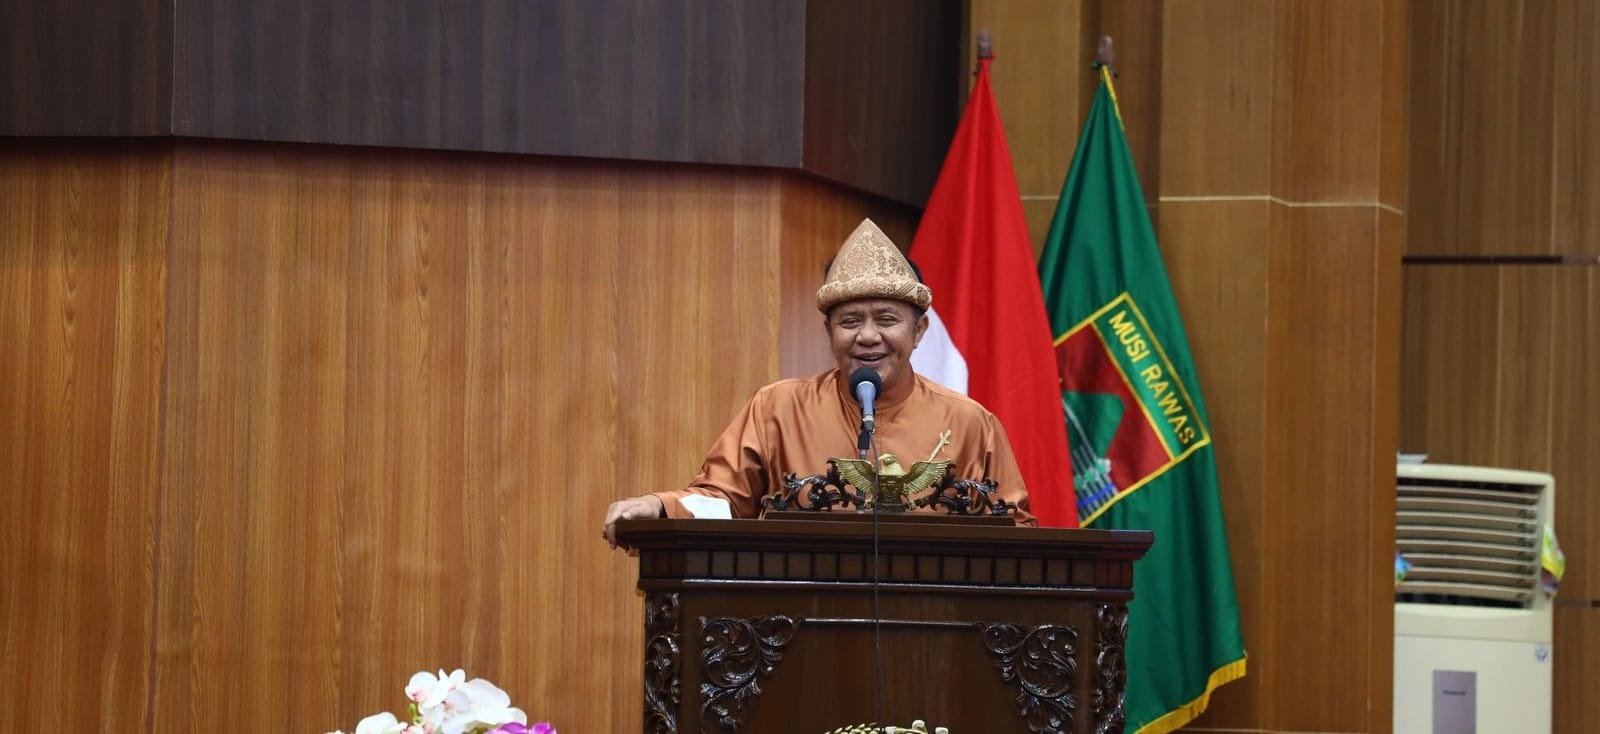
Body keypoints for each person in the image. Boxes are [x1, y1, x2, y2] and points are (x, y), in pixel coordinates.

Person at [602, 219, 1035, 547]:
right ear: (828, 332)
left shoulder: (970, 423)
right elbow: (723, 502)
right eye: (850, 321)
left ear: (918, 331)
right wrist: (661, 506)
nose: (868, 336)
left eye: (886, 320)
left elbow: (1015, 532)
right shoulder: (778, 409)